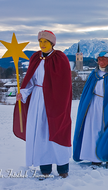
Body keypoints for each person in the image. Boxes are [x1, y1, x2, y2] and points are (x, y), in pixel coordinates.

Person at [13, 30, 72, 178]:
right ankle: (45, 168)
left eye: (45, 41)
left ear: (52, 43)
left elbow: (65, 84)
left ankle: (62, 168)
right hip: (37, 101)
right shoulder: (35, 58)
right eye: (40, 41)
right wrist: (24, 93)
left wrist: (59, 102)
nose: (42, 44)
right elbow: (31, 82)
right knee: (40, 134)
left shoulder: (60, 58)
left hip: (56, 102)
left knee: (57, 132)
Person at [73, 51, 108, 169]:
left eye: (103, 59)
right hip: (93, 105)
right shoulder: (94, 73)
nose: (101, 62)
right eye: (99, 59)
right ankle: (94, 157)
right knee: (92, 130)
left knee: (107, 130)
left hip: (107, 106)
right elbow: (87, 90)